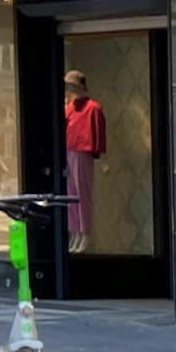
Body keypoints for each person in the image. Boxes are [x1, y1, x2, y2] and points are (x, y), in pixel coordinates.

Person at [62, 69, 105, 254]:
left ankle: (85, 233)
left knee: (82, 194)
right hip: (69, 150)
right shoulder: (69, 108)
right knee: (71, 195)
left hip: (82, 152)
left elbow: (99, 132)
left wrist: (101, 157)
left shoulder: (93, 108)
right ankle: (75, 233)